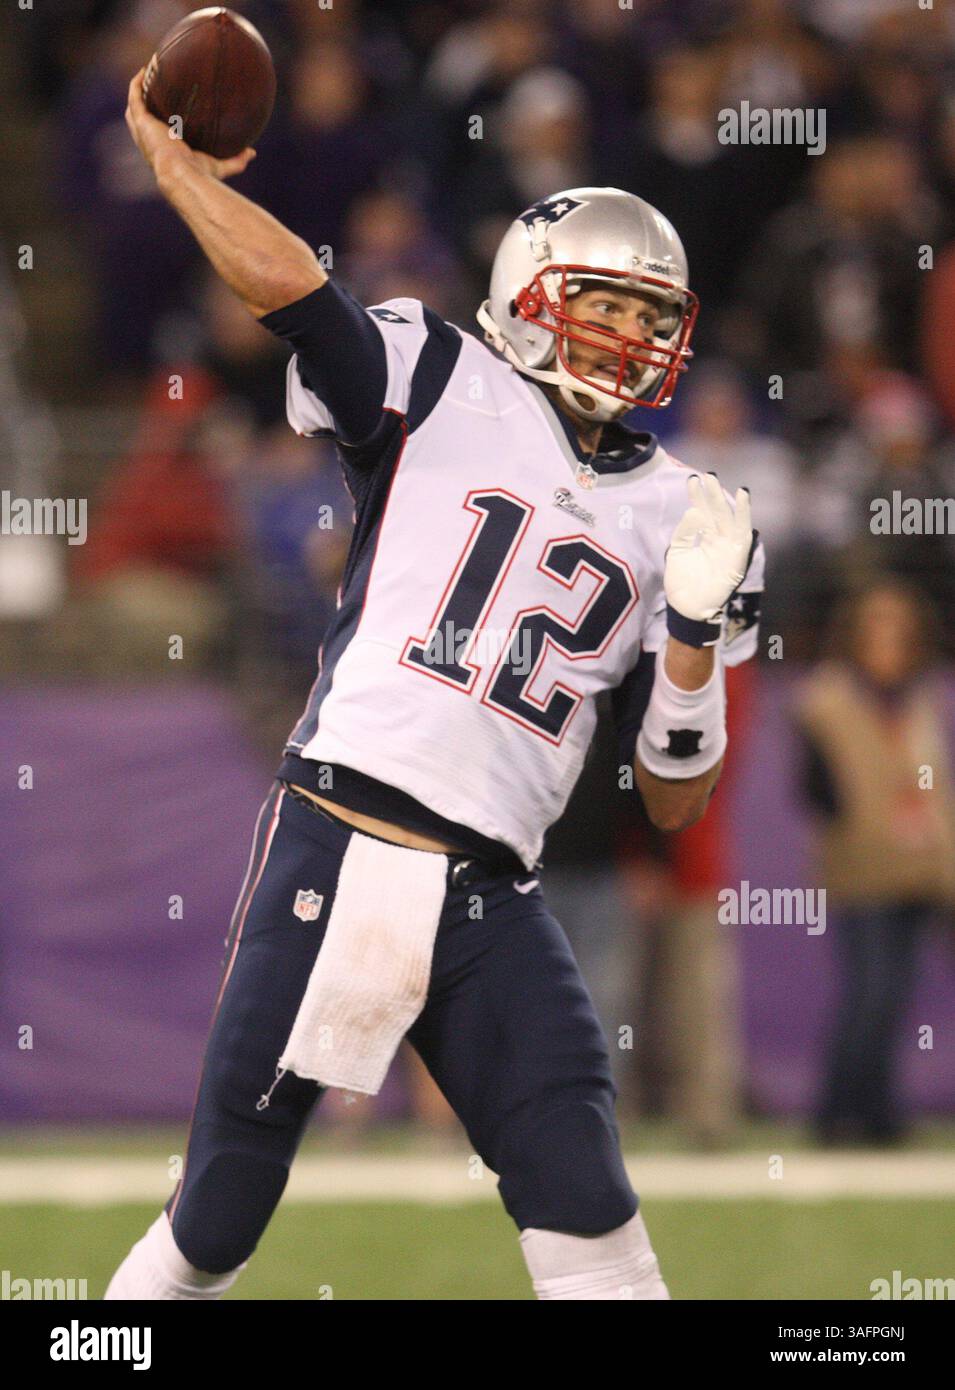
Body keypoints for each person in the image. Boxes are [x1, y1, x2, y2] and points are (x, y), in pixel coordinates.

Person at [105, 70, 764, 1302]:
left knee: (595, 1222)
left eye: (648, 317)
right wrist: (179, 166)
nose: (631, 339)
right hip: (338, 840)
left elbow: (674, 800)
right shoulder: (439, 373)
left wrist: (686, 635)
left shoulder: (691, 512)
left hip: (491, 897)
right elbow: (290, 291)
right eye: (603, 307)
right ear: (529, 298)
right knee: (216, 1224)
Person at [796, 581, 955, 1145]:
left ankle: (879, 1111)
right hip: (863, 868)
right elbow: (815, 791)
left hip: (920, 868)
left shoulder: (917, 698)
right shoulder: (828, 699)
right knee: (869, 992)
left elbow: (931, 787)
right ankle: (838, 1112)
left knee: (896, 996)